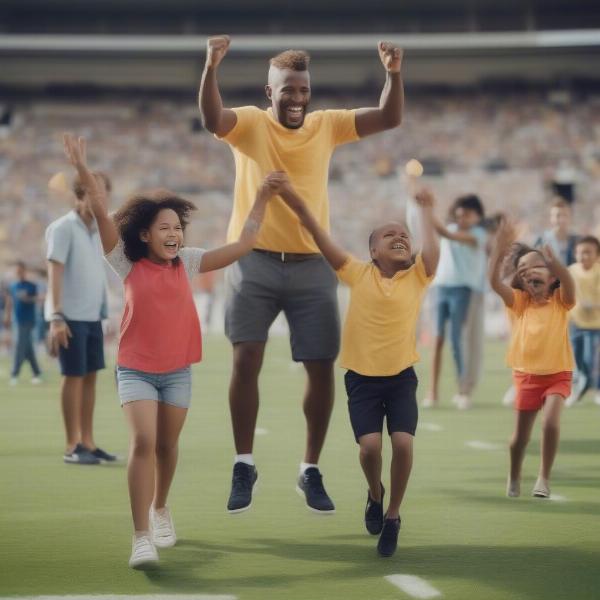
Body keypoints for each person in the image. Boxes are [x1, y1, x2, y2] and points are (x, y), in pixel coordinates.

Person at [199, 35, 404, 514]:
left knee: (319, 364)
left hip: (313, 263)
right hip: (254, 261)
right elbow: (213, 119)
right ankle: (244, 462)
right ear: (269, 92)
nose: (296, 98)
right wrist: (210, 66)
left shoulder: (326, 125)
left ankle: (309, 469)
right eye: (287, 90)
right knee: (246, 358)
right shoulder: (248, 122)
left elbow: (390, 117)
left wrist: (393, 74)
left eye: (302, 90)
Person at [63, 133, 284, 569]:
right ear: (145, 234)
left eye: (177, 228)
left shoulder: (190, 261)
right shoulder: (125, 263)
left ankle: (160, 508)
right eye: (164, 228)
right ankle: (140, 537)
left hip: (177, 371)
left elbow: (242, 246)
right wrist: (84, 172)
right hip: (136, 370)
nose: (173, 234)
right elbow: (105, 218)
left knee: (167, 446)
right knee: (143, 442)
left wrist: (260, 199)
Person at [280, 180, 438, 556]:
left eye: (404, 235)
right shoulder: (356, 272)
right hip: (361, 380)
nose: (400, 237)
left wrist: (427, 213)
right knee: (369, 449)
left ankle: (394, 515)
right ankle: (375, 493)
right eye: (389, 235)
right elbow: (321, 236)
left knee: (402, 442)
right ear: (372, 250)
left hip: (401, 377)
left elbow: (431, 251)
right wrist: (297, 203)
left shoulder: (417, 277)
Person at [489, 219, 575, 499]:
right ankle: (514, 474)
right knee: (519, 440)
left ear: (552, 276)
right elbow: (493, 282)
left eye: (535, 267)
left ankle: (543, 478)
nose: (527, 273)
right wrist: (498, 251)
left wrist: (556, 263)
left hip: (558, 373)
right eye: (522, 271)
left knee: (550, 423)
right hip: (526, 376)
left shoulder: (562, 301)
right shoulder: (520, 302)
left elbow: (569, 281)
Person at [45, 172, 116, 466]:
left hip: (92, 316)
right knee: (72, 377)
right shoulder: (62, 228)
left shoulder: (99, 230)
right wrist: (57, 316)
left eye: (104, 194)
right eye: (93, 193)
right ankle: (72, 444)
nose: (100, 200)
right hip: (69, 316)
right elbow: (55, 272)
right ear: (79, 195)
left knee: (89, 378)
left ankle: (88, 441)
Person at [423, 195, 487, 410]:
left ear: (477, 216)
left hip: (463, 289)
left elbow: (445, 233)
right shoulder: (451, 227)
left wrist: (428, 208)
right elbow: (441, 232)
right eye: (459, 215)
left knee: (457, 339)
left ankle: (463, 390)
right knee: (438, 340)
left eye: (467, 215)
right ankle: (432, 392)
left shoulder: (478, 234)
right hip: (441, 287)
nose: (462, 219)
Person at [566, 236, 600, 406]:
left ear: (597, 255)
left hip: (596, 324)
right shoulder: (571, 271)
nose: (583, 256)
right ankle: (579, 387)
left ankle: (597, 389)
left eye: (588, 252)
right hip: (576, 323)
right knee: (577, 359)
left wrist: (593, 304)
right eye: (580, 252)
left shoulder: (598, 272)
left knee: (592, 359)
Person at [4, 261, 42, 385]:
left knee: (20, 346)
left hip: (28, 320)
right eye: (17, 271)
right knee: (27, 348)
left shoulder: (31, 285)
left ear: (24, 271)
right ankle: (36, 373)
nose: (19, 272)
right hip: (17, 319)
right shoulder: (13, 286)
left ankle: (14, 374)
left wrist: (28, 298)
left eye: (20, 270)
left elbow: (40, 297)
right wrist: (7, 316)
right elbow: (10, 302)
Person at [534, 197, 579, 266]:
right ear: (551, 218)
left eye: (565, 215)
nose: (561, 219)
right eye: (557, 216)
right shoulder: (541, 241)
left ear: (570, 217)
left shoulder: (577, 241)